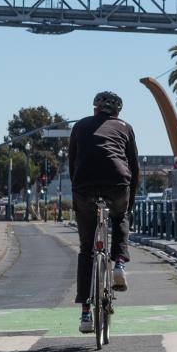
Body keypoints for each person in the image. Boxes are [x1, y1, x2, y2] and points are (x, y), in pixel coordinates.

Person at [69, 91, 139, 334]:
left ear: (95, 109)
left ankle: (85, 314)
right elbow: (134, 168)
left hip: (84, 187)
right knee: (120, 217)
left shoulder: (79, 126)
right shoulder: (125, 127)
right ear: (118, 112)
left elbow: (72, 163)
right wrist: (129, 204)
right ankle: (119, 263)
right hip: (117, 183)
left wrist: (78, 190)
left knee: (86, 250)